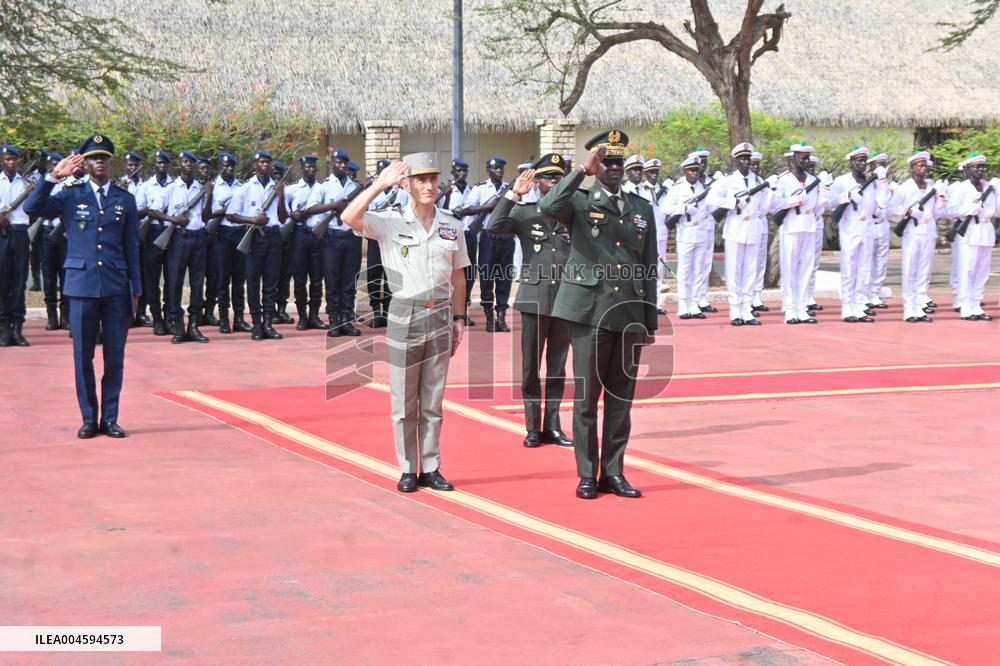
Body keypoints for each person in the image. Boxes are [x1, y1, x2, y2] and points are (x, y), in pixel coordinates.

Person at [538, 130, 657, 500]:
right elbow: (547, 207)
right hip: (590, 312)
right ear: (596, 164)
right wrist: (579, 172)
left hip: (628, 313)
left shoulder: (640, 207)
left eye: (620, 161)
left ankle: (614, 472)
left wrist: (649, 320)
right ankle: (587, 474)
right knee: (587, 399)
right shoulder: (578, 199)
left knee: (622, 399)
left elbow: (647, 264)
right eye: (607, 161)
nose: (615, 168)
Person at [341, 153, 470, 493]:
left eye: (433, 179)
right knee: (403, 398)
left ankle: (431, 466)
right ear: (407, 185)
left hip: (441, 313)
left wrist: (459, 318)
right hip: (405, 313)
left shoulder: (451, 224)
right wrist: (379, 184)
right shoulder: (389, 221)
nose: (429, 186)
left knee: (433, 399)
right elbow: (349, 216)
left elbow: (459, 275)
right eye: (421, 180)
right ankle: (408, 468)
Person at [24, 135, 141, 438]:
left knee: (114, 356)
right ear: (85, 164)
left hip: (116, 287)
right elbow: (32, 208)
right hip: (81, 286)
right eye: (93, 158)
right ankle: (89, 417)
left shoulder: (124, 199)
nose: (98, 162)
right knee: (82, 355)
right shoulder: (70, 194)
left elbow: (131, 248)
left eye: (104, 157)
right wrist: (53, 176)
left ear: (111, 162)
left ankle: (110, 418)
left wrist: (136, 289)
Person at [487, 153, 573, 449]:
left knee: (558, 368)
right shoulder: (526, 212)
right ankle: (533, 427)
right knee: (531, 368)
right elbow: (493, 225)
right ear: (537, 182)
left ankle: (554, 426)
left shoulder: (573, 213)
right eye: (548, 177)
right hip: (534, 299)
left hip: (566, 300)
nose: (553, 181)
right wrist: (513, 194)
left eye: (558, 176)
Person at [708, 142, 771, 326]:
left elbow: (765, 208)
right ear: (735, 161)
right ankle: (736, 310)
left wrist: (771, 191)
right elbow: (711, 199)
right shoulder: (727, 181)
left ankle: (747, 309)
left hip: (753, 229)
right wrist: (733, 202)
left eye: (747, 158)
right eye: (741, 158)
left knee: (750, 271)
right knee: (734, 272)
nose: (745, 162)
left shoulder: (759, 182)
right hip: (735, 230)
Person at [227, 150, 288, 340]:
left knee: (271, 282)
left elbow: (283, 217)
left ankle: (268, 323)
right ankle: (257, 324)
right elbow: (231, 215)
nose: (265, 165)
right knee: (253, 282)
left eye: (268, 162)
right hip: (253, 237)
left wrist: (281, 196)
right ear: (255, 165)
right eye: (262, 162)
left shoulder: (276, 187)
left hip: (273, 236)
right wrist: (252, 219)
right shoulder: (245, 188)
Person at [304, 148, 363, 337]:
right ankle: (334, 320)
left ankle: (347, 319)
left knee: (349, 282)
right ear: (332, 165)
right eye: (339, 163)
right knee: (332, 280)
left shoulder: (354, 186)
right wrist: (333, 206)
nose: (343, 166)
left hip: (351, 237)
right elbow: (310, 208)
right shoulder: (323, 186)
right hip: (331, 237)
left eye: (345, 163)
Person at [831, 146, 890, 323]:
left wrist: (882, 182)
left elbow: (882, 202)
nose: (862, 163)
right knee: (849, 269)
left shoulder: (871, 182)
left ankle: (859, 306)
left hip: (868, 228)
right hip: (850, 228)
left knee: (864, 270)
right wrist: (847, 196)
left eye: (865, 160)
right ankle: (848, 307)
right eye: (859, 160)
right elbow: (830, 202)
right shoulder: (842, 180)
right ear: (851, 162)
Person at [772, 142, 828, 324]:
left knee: (806, 269)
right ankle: (790, 308)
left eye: (807, 158)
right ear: (794, 158)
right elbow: (774, 205)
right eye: (802, 158)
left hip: (809, 227)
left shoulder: (813, 181)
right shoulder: (784, 180)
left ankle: (802, 308)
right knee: (790, 269)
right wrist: (793, 201)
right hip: (791, 228)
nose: (805, 161)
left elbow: (819, 208)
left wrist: (825, 191)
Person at [889, 151, 948, 322]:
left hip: (929, 232)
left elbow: (937, 213)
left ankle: (920, 306)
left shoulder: (931, 188)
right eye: (920, 165)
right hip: (912, 233)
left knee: (925, 271)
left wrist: (942, 198)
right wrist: (907, 211)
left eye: (925, 166)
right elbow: (891, 209)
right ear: (913, 167)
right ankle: (909, 309)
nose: (924, 169)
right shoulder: (905, 188)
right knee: (910, 271)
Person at [160, 150, 212, 343]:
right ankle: (179, 326)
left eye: (192, 162)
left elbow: (206, 216)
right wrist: (173, 218)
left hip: (198, 238)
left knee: (198, 284)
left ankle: (194, 326)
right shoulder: (171, 188)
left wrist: (209, 195)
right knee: (175, 283)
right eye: (185, 162)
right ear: (179, 165)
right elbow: (154, 211)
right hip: (178, 239)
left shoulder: (202, 188)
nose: (188, 165)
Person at [461, 157, 512, 332]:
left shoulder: (509, 189)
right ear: (488, 171)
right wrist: (487, 207)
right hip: (488, 237)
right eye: (495, 169)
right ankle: (489, 317)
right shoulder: (480, 188)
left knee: (505, 277)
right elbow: (466, 209)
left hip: (506, 237)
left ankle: (502, 318)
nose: (498, 171)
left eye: (501, 168)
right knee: (487, 277)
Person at [948, 152, 998, 321]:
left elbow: (997, 211)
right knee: (967, 270)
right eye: (976, 167)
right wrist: (969, 209)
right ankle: (965, 305)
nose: (981, 170)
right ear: (968, 169)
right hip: (968, 233)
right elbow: (951, 210)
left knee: (982, 272)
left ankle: (976, 303)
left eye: (983, 167)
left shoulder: (990, 188)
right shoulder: (961, 188)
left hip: (985, 233)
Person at [663, 155, 713, 319]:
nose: (694, 173)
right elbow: (665, 208)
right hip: (686, 233)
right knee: (685, 270)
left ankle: (694, 303)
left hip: (702, 232)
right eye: (691, 170)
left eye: (697, 170)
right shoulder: (677, 188)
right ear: (684, 171)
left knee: (699, 270)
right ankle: (684, 304)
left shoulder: (704, 188)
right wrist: (684, 208)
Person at [207, 152, 249, 334]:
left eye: (232, 166)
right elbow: (208, 213)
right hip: (222, 233)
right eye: (226, 166)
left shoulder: (242, 186)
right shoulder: (214, 187)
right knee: (222, 278)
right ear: (221, 167)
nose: (229, 169)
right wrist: (226, 210)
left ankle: (239, 318)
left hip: (239, 232)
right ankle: (224, 318)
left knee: (239, 279)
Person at [285, 154, 328, 330]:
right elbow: (282, 212)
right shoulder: (292, 190)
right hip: (299, 234)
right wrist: (290, 214)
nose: (311, 170)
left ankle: (315, 315)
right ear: (301, 169)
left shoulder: (323, 188)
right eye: (307, 167)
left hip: (317, 236)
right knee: (300, 279)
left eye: (313, 167)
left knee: (317, 279)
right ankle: (302, 316)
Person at [367, 158, 410, 328]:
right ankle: (377, 313)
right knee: (374, 276)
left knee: (393, 276)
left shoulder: (402, 192)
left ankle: (391, 312)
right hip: (375, 238)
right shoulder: (372, 192)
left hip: (395, 240)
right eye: (379, 172)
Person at [0, 144, 36, 347]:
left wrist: (32, 192)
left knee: (19, 280)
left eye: (14, 159)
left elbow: (35, 208)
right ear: (2, 161)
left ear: (18, 161)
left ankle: (17, 328)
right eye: (7, 159)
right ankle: (4, 328)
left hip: (20, 232)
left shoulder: (26, 184)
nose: (11, 162)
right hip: (2, 234)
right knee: (2, 280)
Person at [136, 150, 174, 336]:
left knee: (171, 278)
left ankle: (169, 317)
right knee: (151, 279)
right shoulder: (146, 187)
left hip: (171, 232)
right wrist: (151, 211)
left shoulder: (175, 185)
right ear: (154, 165)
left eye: (164, 163)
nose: (161, 166)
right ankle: (157, 318)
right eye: (158, 163)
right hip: (152, 233)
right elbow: (136, 213)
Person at [439, 158, 477, 325]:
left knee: (469, 274)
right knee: (449, 273)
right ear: (452, 172)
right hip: (450, 234)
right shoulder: (446, 190)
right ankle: (447, 311)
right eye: (458, 171)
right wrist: (446, 194)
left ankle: (464, 311)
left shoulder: (472, 190)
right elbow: (442, 212)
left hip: (468, 235)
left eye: (464, 171)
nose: (461, 174)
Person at [865, 152, 894, 310]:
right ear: (871, 167)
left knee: (881, 261)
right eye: (877, 165)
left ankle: (875, 292)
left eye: (883, 164)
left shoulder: (888, 184)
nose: (881, 168)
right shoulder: (867, 184)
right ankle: (864, 293)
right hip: (869, 224)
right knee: (866, 260)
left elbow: (889, 205)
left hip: (883, 224)